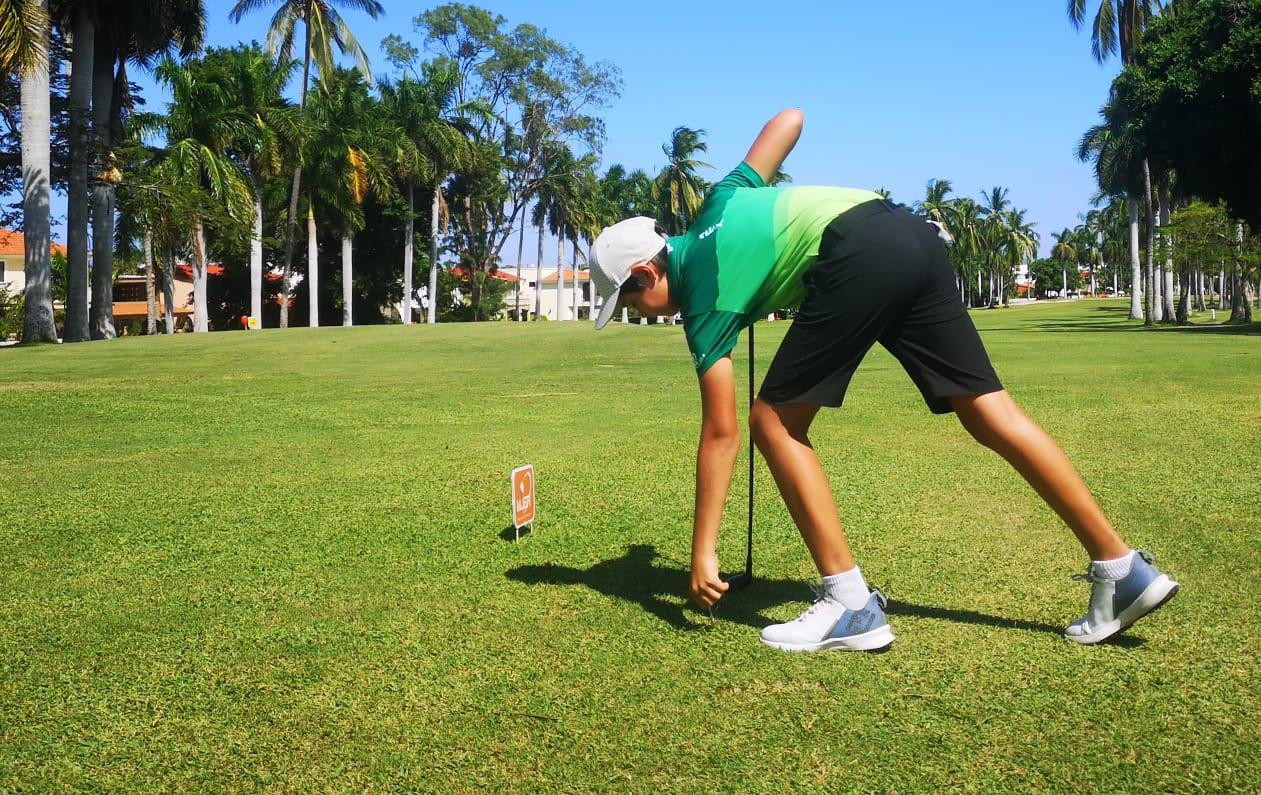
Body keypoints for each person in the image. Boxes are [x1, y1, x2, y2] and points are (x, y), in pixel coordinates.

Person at [589, 108, 1179, 651]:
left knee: (774, 422)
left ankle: (849, 604)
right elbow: (790, 119)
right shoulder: (723, 197)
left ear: (648, 271)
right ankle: (1119, 567)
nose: (642, 316)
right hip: (910, 234)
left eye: (632, 304)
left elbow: (721, 434)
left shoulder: (702, 305)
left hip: (857, 252)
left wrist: (703, 552)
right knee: (989, 411)